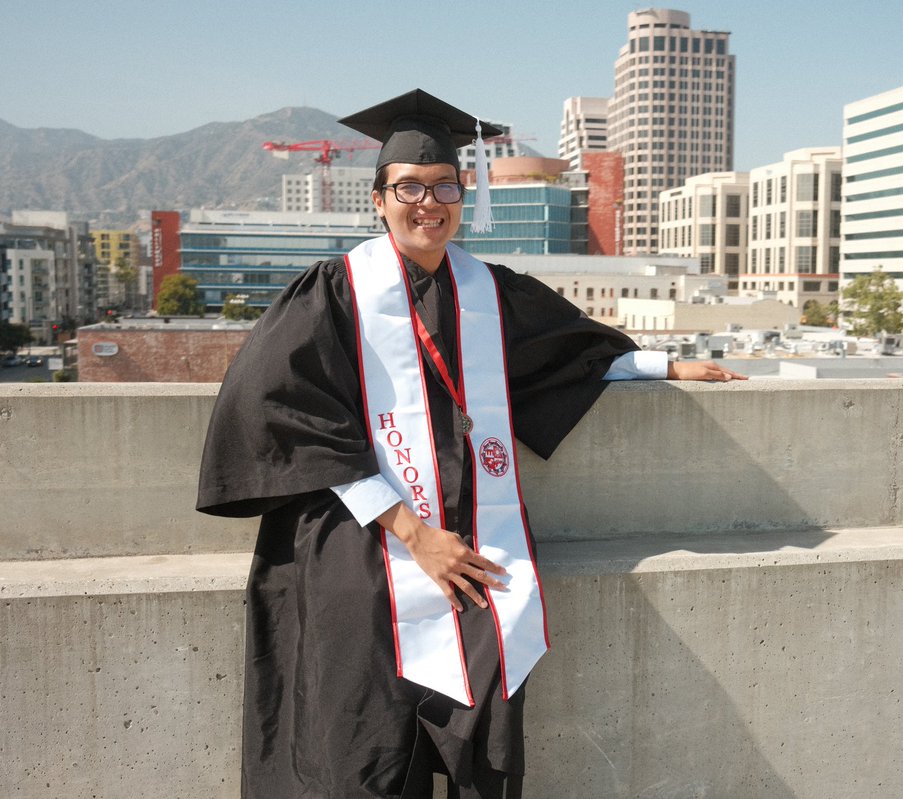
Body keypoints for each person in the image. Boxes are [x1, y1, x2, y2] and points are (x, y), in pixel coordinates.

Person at [197, 88, 744, 799]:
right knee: (360, 742)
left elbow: (566, 352)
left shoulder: (490, 292)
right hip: (361, 545)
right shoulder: (332, 293)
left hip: (474, 547)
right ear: (378, 199)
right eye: (409, 187)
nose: (429, 202)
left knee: (483, 733)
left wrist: (661, 365)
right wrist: (412, 532)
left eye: (444, 186)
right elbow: (281, 410)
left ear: (463, 194)